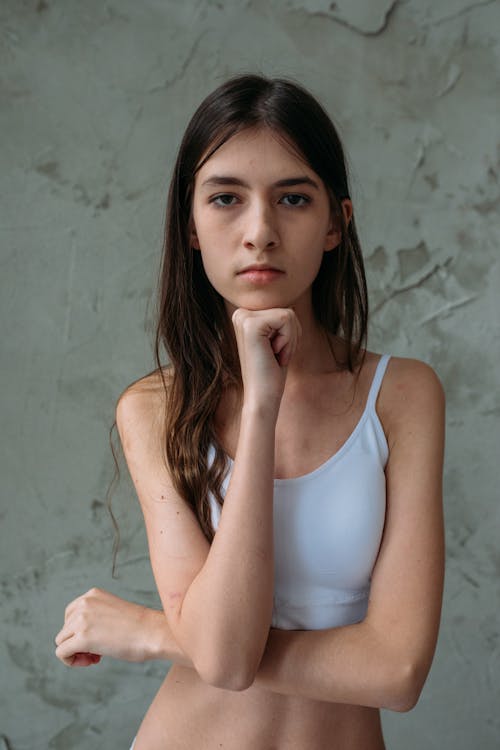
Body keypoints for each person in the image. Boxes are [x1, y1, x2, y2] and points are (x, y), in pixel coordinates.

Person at [54, 74, 445, 750]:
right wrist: (261, 405)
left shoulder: (402, 395)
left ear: (334, 225)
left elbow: (398, 672)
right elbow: (223, 660)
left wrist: (156, 634)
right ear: (192, 227)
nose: (259, 231)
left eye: (293, 198)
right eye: (226, 199)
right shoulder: (154, 409)